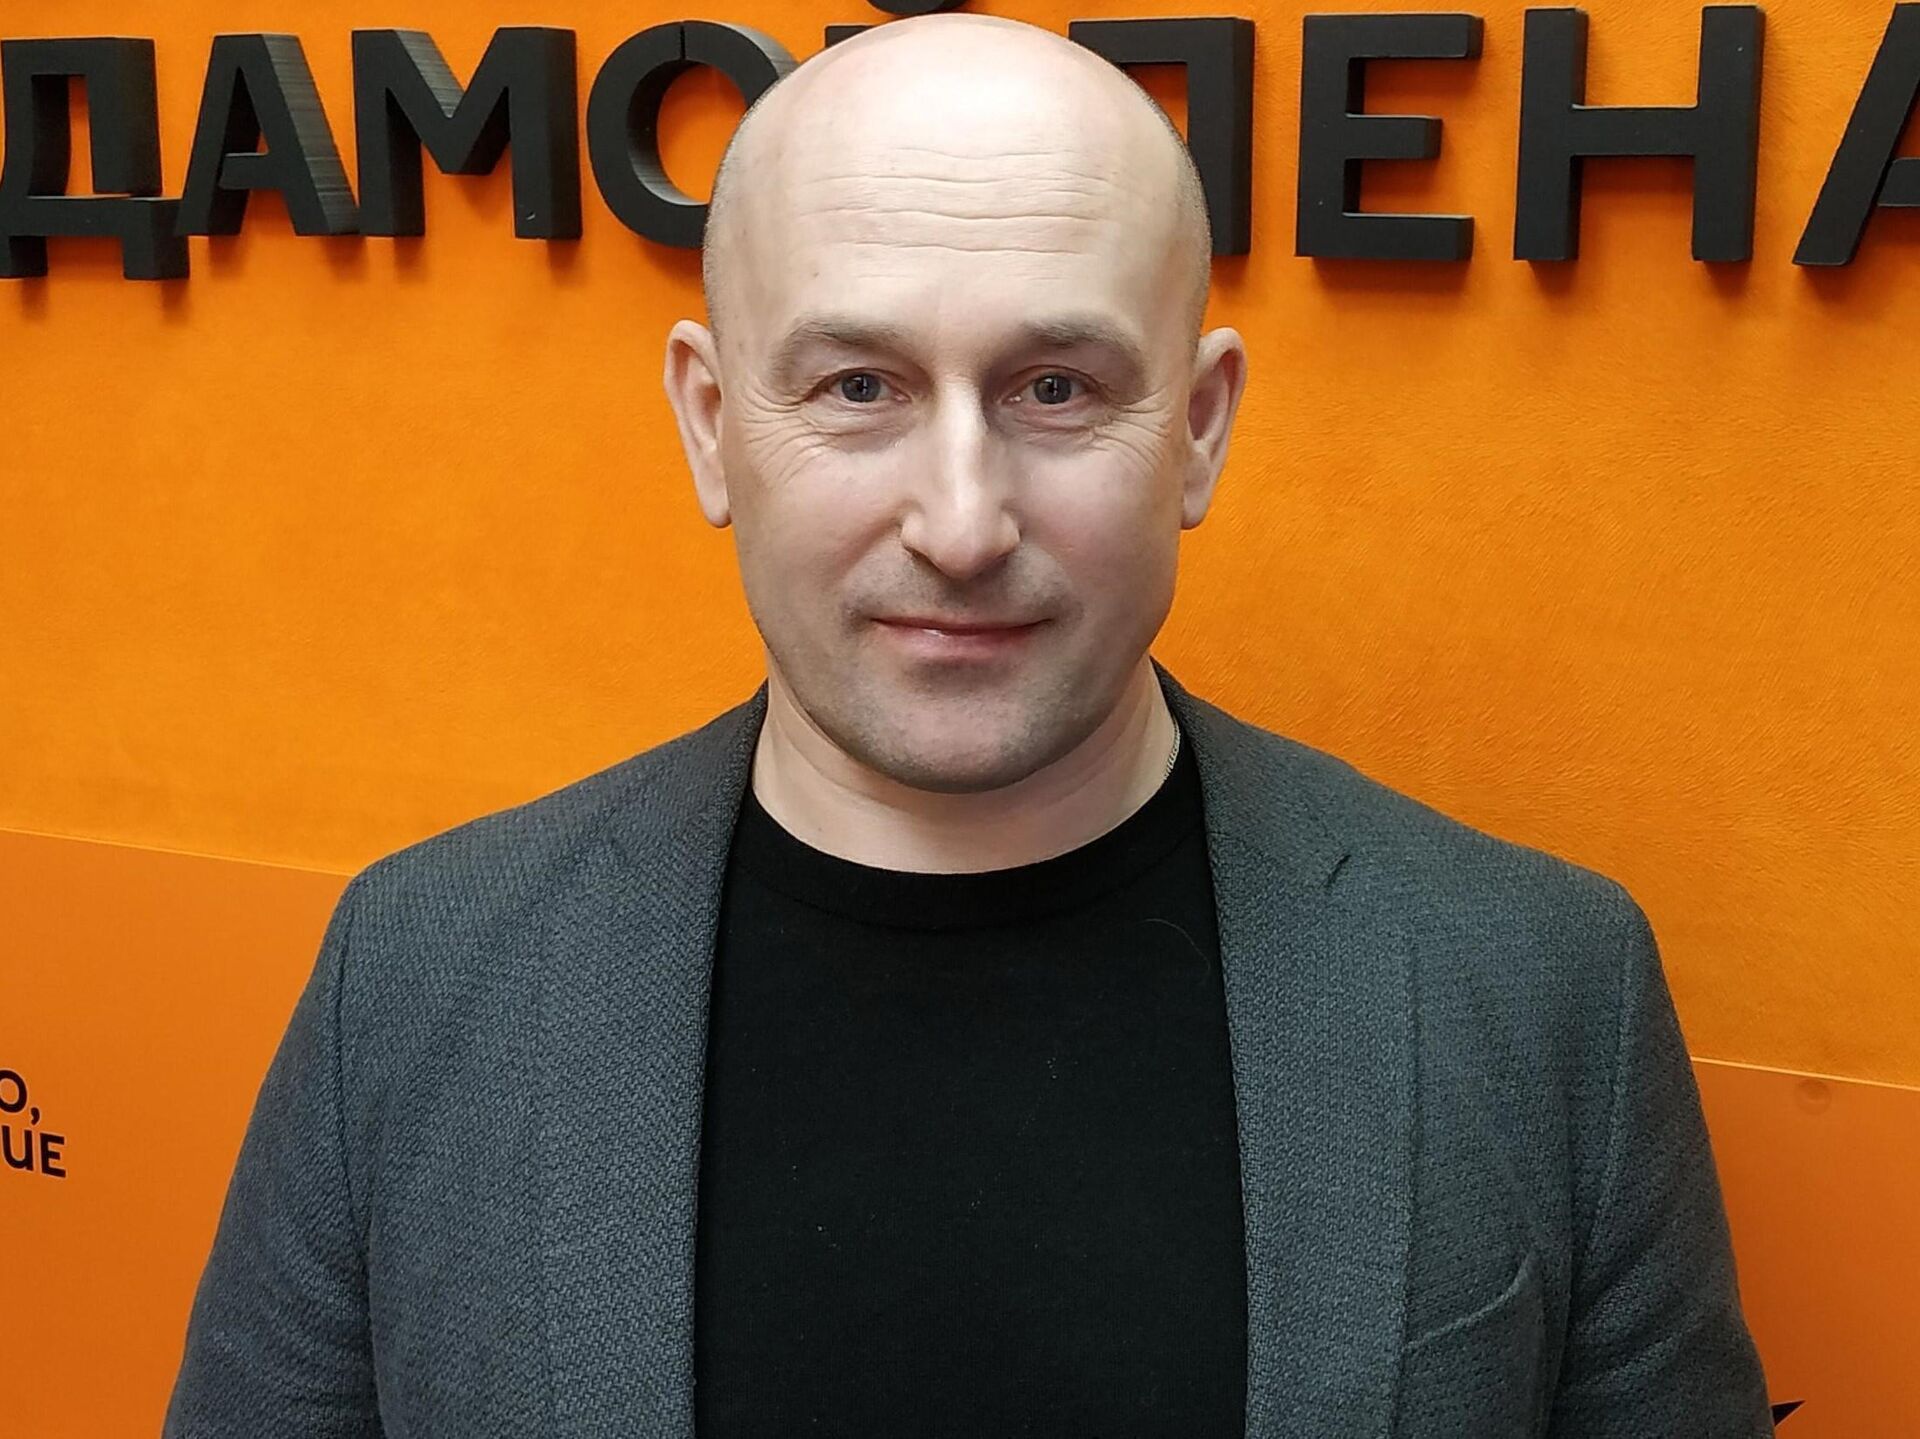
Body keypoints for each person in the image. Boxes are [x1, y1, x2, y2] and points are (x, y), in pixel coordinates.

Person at [164, 13, 1773, 1438]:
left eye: (1056, 388)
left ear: (1199, 430)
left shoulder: (1542, 989)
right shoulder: (416, 975)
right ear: (713, 426)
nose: (959, 522)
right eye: (858, 387)